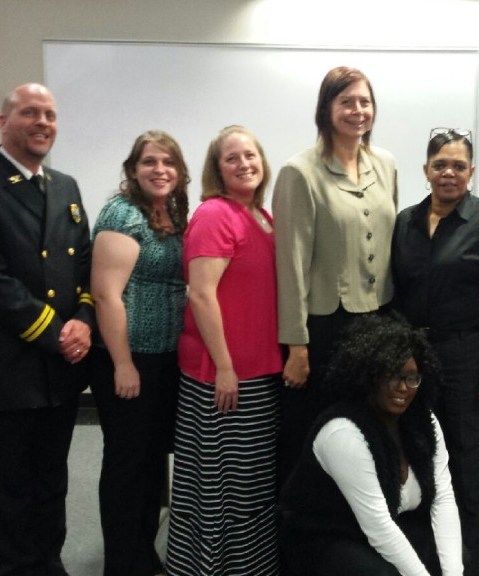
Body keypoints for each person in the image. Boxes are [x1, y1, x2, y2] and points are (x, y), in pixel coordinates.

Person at [0, 82, 94, 575]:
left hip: (60, 369)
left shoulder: (65, 186)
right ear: (4, 123)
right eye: (30, 112)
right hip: (7, 367)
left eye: (50, 114)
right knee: (9, 487)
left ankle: (48, 563)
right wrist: (59, 333)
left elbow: (85, 265)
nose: (43, 122)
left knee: (51, 479)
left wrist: (85, 322)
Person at [391, 127, 479, 575]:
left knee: (472, 467)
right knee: (421, 457)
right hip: (413, 360)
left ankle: (478, 566)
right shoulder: (404, 221)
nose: (449, 173)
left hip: (467, 357)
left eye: (459, 165)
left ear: (471, 172)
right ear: (425, 170)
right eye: (440, 164)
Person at [166, 125, 282, 576]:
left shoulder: (263, 216)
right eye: (231, 158)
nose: (244, 164)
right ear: (217, 169)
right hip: (224, 377)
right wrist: (225, 367)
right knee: (221, 487)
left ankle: (249, 567)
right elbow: (201, 295)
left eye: (250, 154)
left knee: (251, 485)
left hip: (259, 372)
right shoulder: (215, 215)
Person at [273, 66, 398, 482]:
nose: (357, 110)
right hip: (323, 324)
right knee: (315, 428)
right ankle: (303, 534)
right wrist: (296, 344)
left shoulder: (386, 165)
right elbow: (289, 263)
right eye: (346, 101)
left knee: (365, 429)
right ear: (326, 109)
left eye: (364, 101)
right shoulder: (300, 172)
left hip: (376, 319)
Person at [279, 313, 463, 576]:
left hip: (387, 525)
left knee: (452, 556)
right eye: (392, 376)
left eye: (412, 378)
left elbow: (443, 498)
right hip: (326, 537)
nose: (403, 388)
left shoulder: (423, 420)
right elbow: (379, 527)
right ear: (370, 377)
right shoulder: (343, 432)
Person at [90, 130, 189, 575]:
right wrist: (123, 362)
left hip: (166, 358)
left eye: (168, 162)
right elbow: (106, 295)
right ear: (133, 170)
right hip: (130, 359)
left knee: (153, 462)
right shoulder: (122, 213)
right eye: (149, 162)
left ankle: (143, 553)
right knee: (128, 464)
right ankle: (122, 563)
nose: (160, 170)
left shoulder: (169, 213)